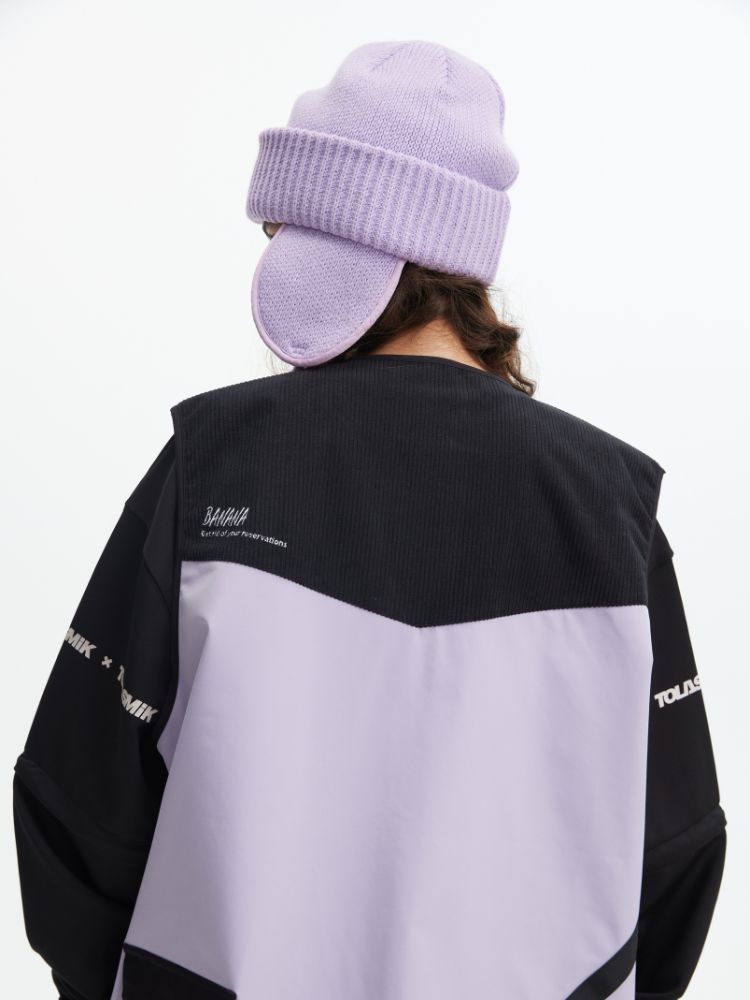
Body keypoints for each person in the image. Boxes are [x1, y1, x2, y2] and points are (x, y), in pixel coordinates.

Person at [12, 39, 726, 1000]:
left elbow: (74, 807)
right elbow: (678, 850)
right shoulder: (614, 510)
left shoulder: (212, 465)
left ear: (345, 243)